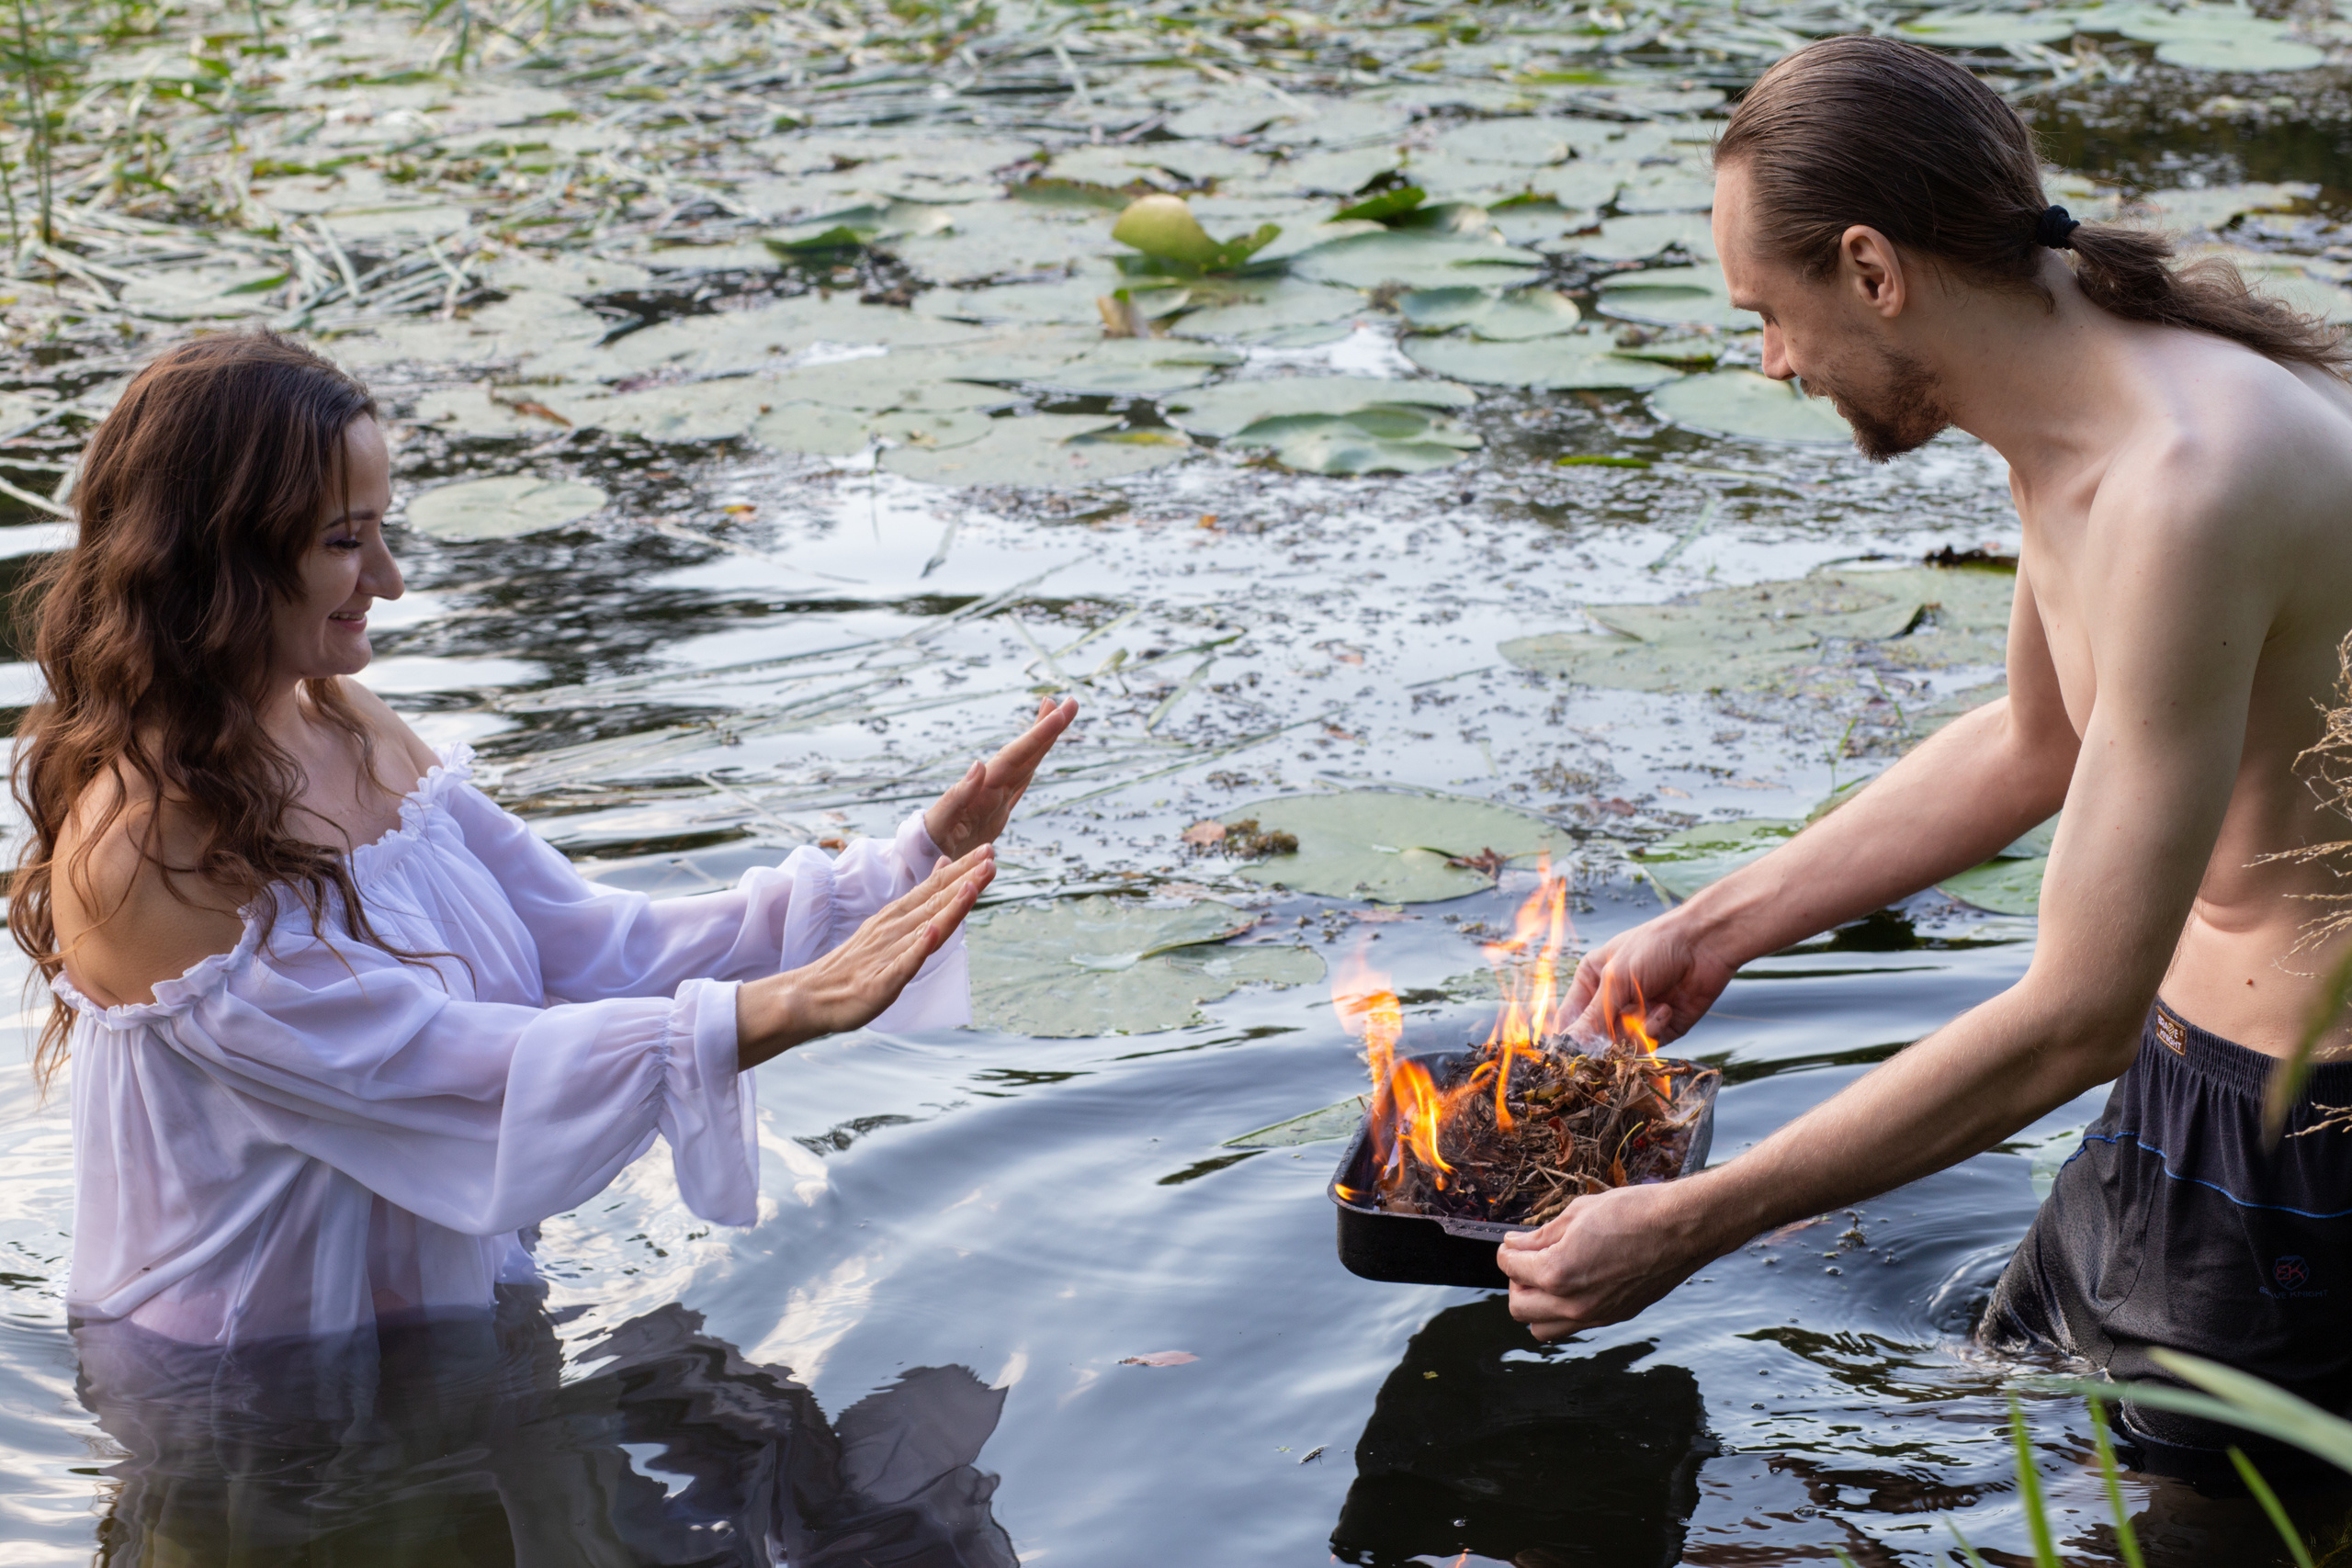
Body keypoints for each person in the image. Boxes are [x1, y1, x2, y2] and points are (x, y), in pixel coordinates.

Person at [1494, 35, 2352, 1470]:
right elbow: (2035, 741)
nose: (1774, 361)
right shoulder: (2082, 401)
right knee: (2001, 1418)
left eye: (1772, 315)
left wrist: (1694, 1221)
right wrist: (1717, 926)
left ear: (1871, 268)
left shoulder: (2189, 482)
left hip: (2296, 1146)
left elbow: (2077, 1012)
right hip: (2185, 1085)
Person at [8, 330, 1078, 1348]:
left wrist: (890, 876)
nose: (389, 579)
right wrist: (771, 1013)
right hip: (235, 1390)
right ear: (218, 556)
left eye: (381, 530)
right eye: (343, 541)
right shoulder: (137, 852)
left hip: (441, 1319)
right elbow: (429, 1068)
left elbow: (584, 941)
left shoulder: (341, 720)